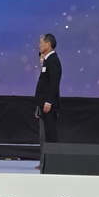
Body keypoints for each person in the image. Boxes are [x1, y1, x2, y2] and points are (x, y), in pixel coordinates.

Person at [35, 33, 62, 169]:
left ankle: (52, 162)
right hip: (43, 103)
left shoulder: (53, 61)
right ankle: (44, 162)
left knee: (49, 134)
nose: (39, 45)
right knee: (43, 135)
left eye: (41, 42)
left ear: (48, 44)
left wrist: (49, 102)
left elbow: (54, 83)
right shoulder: (47, 60)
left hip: (48, 104)